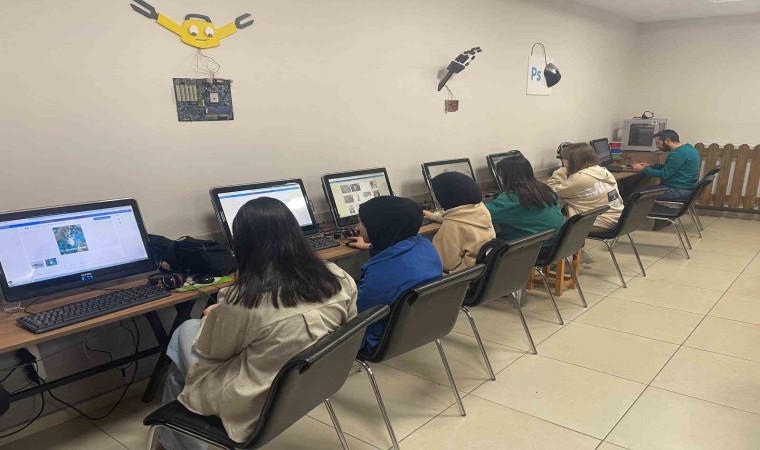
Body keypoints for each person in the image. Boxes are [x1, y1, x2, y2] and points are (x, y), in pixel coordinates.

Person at [158, 198, 358, 450]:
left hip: (256, 401)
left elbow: (212, 351)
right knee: (184, 358)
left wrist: (214, 315)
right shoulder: (337, 276)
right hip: (312, 383)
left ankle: (176, 435)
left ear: (242, 244)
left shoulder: (246, 299)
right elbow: (348, 325)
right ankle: (172, 437)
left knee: (185, 331)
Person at [353, 196, 442, 351]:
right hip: (420, 324)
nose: (357, 227)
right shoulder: (424, 244)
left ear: (378, 227)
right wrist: (370, 246)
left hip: (378, 339)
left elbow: (356, 314)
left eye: (361, 222)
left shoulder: (380, 275)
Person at [486, 151, 565, 247]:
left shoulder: (511, 198)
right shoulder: (544, 189)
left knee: (485, 241)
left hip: (535, 248)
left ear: (506, 177)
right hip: (558, 243)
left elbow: (481, 216)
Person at [423, 171, 496, 273]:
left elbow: (445, 264)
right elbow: (461, 218)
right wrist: (434, 216)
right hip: (484, 269)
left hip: (465, 277)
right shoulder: (481, 210)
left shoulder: (450, 227)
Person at [547, 143, 624, 231]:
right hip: (617, 218)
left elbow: (552, 191)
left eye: (564, 159)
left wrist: (561, 170)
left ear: (571, 161)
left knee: (554, 224)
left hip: (601, 223)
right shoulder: (602, 170)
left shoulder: (581, 178)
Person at [631, 129, 700, 201]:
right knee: (637, 192)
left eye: (658, 143)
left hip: (677, 190)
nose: (657, 146)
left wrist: (642, 169)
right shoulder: (689, 149)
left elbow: (664, 174)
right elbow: (672, 168)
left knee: (635, 194)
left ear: (668, 140)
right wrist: (651, 165)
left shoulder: (679, 153)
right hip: (685, 188)